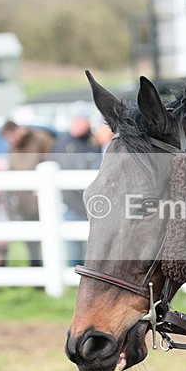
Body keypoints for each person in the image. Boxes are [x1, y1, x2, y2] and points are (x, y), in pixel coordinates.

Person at [47, 104, 103, 266]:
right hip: (70, 203)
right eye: (75, 120)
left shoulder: (95, 142)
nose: (78, 123)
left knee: (95, 249)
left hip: (94, 204)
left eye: (82, 120)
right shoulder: (60, 144)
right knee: (73, 249)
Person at [1, 120, 54, 267]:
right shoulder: (13, 148)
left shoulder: (40, 139)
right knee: (31, 242)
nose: (10, 141)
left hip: (42, 200)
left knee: (48, 240)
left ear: (17, 130)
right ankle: (36, 270)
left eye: (11, 137)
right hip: (23, 202)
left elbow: (51, 159)